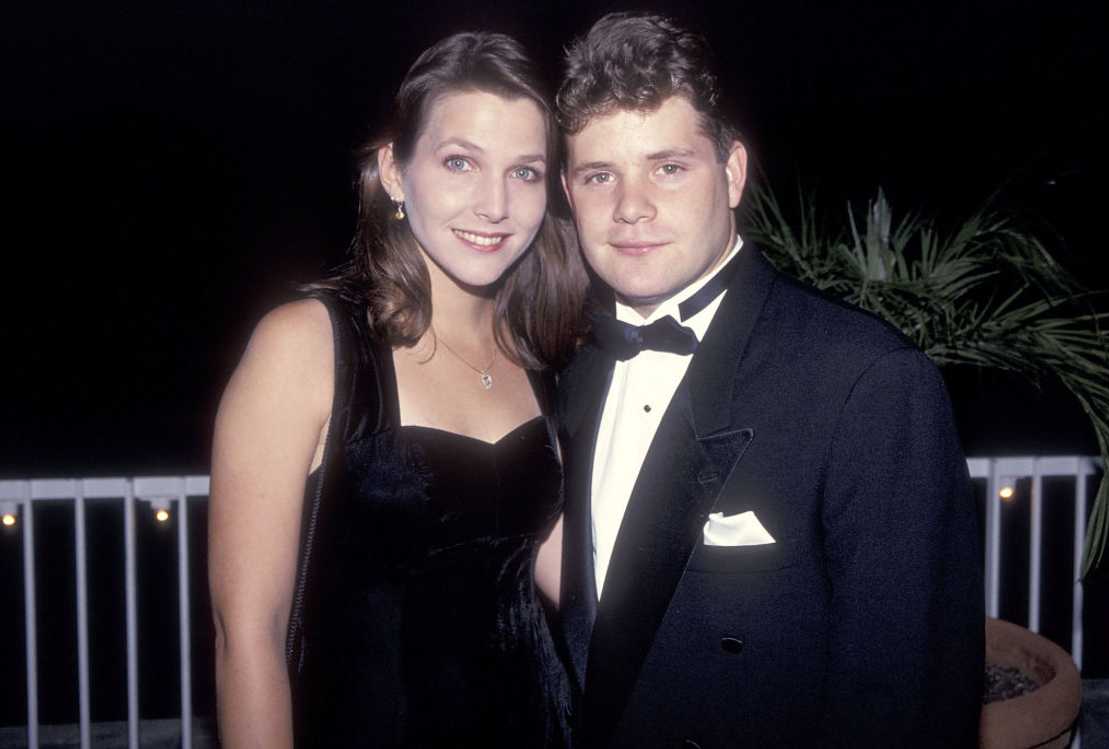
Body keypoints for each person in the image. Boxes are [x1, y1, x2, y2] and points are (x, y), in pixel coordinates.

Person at [550, 12, 985, 748]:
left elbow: (904, 708)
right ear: (568, 190)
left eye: (668, 166)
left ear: (732, 172)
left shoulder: (868, 382)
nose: (631, 207)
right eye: (600, 175)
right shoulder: (570, 366)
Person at [208, 31, 585, 748]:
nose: (495, 204)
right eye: (459, 162)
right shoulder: (307, 345)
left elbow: (577, 585)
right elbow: (245, 638)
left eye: (525, 172)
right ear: (392, 169)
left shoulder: (538, 357)